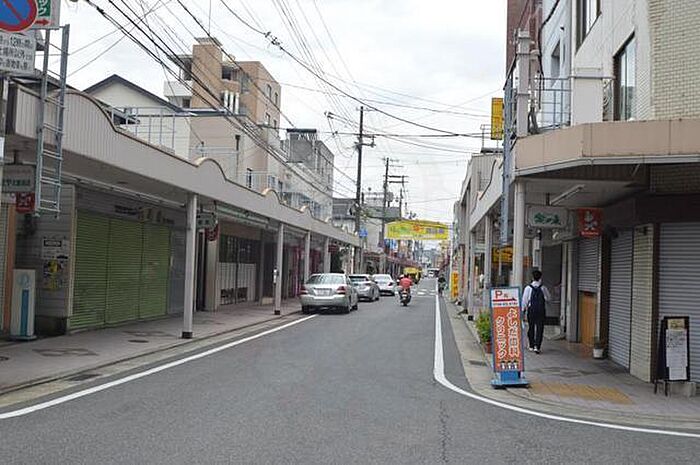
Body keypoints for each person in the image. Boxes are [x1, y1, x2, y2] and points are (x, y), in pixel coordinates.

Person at [521, 269, 551, 354]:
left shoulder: (528, 288)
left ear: (532, 277)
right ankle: (537, 347)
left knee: (531, 327)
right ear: (540, 278)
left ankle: (531, 345)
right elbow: (548, 298)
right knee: (540, 328)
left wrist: (523, 310)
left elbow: (524, 301)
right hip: (541, 311)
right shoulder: (543, 288)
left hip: (531, 310)